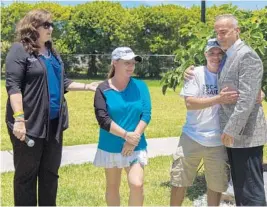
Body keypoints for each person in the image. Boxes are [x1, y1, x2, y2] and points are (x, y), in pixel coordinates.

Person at [5, 9, 99, 206]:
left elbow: (62, 81)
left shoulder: (52, 53)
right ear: (33, 28)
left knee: (50, 174)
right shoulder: (19, 50)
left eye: (52, 25)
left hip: (53, 125)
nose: (51, 29)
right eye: (46, 25)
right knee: (26, 176)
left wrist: (87, 87)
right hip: (30, 124)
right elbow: (13, 87)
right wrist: (19, 119)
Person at [184, 14, 267, 206]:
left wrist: (231, 129)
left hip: (245, 135)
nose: (219, 36)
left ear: (237, 31)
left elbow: (246, 98)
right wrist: (188, 71)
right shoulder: (228, 55)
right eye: (217, 32)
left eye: (224, 32)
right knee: (240, 188)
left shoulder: (246, 55)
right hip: (234, 136)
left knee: (251, 190)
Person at [170, 39, 239, 206]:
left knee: (216, 185)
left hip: (218, 140)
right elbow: (190, 103)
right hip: (192, 136)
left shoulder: (231, 74)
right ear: (205, 54)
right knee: (180, 180)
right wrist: (219, 99)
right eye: (211, 53)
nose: (215, 57)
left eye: (219, 53)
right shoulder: (195, 73)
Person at [93, 47, 151, 206]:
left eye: (133, 63)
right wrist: (126, 135)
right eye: (126, 63)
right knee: (112, 186)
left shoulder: (141, 86)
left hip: (136, 144)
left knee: (137, 184)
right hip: (110, 144)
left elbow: (146, 114)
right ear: (114, 63)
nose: (131, 66)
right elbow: (103, 119)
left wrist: (132, 139)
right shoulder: (102, 88)